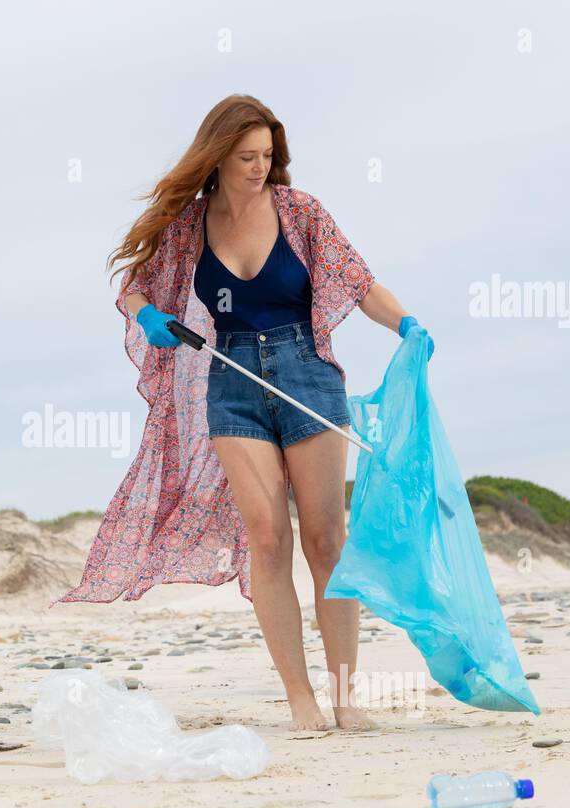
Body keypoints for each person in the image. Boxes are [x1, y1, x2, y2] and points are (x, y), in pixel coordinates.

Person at [53, 94, 435, 733]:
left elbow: (359, 282)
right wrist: (150, 316)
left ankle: (345, 697)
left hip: (306, 375)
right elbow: (137, 285)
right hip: (229, 383)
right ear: (218, 157)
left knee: (326, 540)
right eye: (246, 157)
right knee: (266, 536)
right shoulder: (187, 225)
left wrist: (408, 325)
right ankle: (301, 702)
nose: (260, 168)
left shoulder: (300, 210)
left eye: (267, 156)